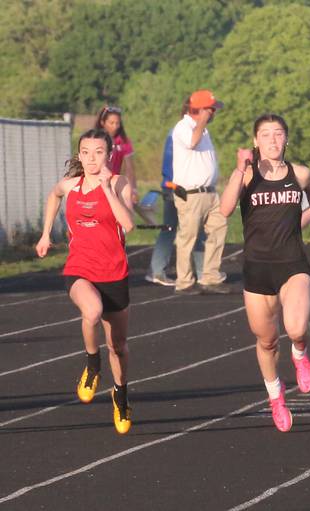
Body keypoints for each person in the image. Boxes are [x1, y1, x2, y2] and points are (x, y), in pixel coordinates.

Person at [219, 114, 310, 432]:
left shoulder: (299, 173)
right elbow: (226, 209)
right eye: (266, 135)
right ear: (256, 141)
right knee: (267, 341)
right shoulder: (246, 176)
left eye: (278, 134)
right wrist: (239, 169)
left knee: (296, 328)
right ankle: (275, 397)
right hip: (257, 269)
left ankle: (300, 353)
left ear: (286, 139)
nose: (272, 139)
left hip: (292, 263)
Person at [35, 129, 135, 434]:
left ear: (109, 155)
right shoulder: (70, 185)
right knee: (90, 312)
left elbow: (128, 225)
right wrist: (46, 233)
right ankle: (92, 365)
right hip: (80, 268)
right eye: (86, 152)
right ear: (79, 155)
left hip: (114, 273)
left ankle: (121, 394)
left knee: (117, 346)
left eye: (99, 152)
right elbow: (54, 195)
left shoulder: (119, 183)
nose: (92, 159)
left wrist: (106, 188)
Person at [171, 89, 231, 295]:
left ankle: (210, 276)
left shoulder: (203, 129)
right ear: (201, 109)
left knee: (218, 229)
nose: (214, 113)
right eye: (211, 109)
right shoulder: (183, 127)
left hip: (209, 192)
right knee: (188, 237)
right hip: (191, 193)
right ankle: (184, 281)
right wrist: (202, 121)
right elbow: (191, 142)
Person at [145, 98, 206, 286]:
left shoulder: (193, 133)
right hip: (177, 188)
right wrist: (175, 187)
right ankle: (200, 272)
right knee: (181, 228)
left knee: (180, 228)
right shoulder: (180, 132)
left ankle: (199, 271)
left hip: (182, 187)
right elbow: (173, 164)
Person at [95, 105, 138, 203]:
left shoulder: (123, 141)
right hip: (96, 185)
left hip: (114, 186)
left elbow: (129, 169)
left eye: (117, 123)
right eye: (111, 123)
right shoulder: (95, 140)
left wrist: (133, 190)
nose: (115, 126)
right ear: (102, 123)